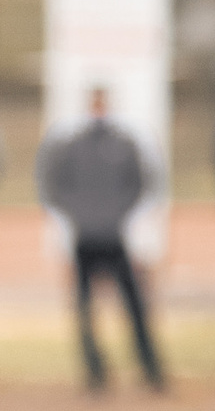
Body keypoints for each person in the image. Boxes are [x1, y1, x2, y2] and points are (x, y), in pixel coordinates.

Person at [36, 85, 166, 393]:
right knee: (84, 308)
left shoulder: (123, 143)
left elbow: (142, 181)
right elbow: (53, 184)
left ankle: (150, 369)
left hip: (114, 235)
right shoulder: (71, 145)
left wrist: (117, 213)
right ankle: (94, 371)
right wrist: (79, 214)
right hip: (85, 237)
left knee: (134, 305)